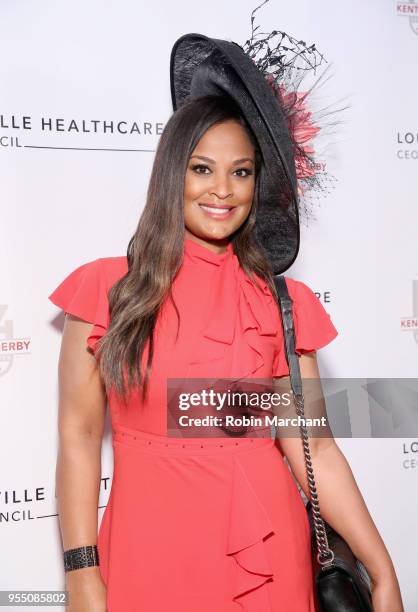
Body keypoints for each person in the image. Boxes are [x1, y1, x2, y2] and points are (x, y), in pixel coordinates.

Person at [48, 28, 404, 612]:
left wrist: (381, 567)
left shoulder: (281, 303)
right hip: (148, 551)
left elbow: (314, 446)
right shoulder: (107, 287)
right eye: (201, 168)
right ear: (172, 175)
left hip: (268, 554)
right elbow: (79, 437)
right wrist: (82, 573)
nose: (222, 190)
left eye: (240, 172)